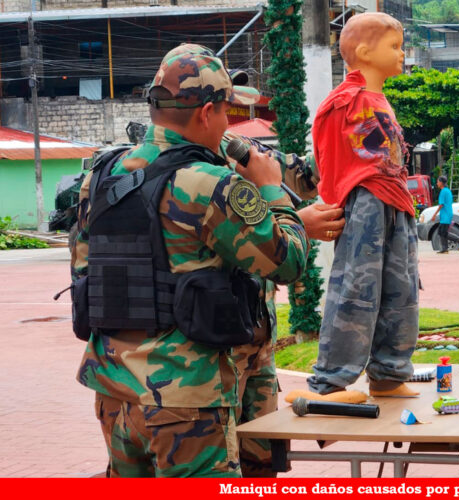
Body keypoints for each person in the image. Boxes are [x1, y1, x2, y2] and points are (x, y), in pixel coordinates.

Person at [71, 45, 309, 477]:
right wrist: (273, 190)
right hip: (187, 399)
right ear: (206, 113)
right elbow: (288, 262)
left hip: (113, 391)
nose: (227, 125)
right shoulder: (209, 184)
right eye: (226, 113)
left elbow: (84, 269)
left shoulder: (103, 174)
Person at [304, 12, 420, 400]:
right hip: (366, 203)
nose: (402, 54)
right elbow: (328, 153)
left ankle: (388, 373)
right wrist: (337, 198)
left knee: (400, 291)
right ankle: (331, 381)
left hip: (396, 202)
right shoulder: (344, 100)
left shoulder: (377, 98)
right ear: (366, 52)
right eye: (394, 46)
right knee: (356, 288)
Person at [430, 175, 459, 253]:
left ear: (441, 182)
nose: (437, 183)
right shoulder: (448, 190)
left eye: (437, 182)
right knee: (442, 232)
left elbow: (441, 205)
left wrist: (434, 215)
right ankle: (445, 249)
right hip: (447, 214)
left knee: (442, 232)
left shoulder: (443, 191)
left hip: (445, 215)